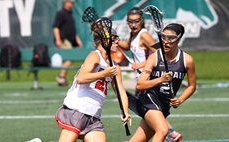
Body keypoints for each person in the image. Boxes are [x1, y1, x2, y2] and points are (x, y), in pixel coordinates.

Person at [54, 25, 131, 142]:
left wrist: (125, 111)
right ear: (104, 41)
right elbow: (81, 78)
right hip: (77, 110)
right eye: (114, 38)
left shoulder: (115, 67)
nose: (118, 41)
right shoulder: (95, 56)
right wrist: (104, 73)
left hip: (93, 117)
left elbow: (120, 91)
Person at [118, 7, 182, 141]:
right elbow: (126, 46)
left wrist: (141, 65)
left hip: (149, 81)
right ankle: (167, 132)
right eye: (130, 21)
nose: (133, 24)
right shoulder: (133, 34)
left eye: (136, 21)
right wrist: (115, 41)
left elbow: (158, 52)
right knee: (151, 117)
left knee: (153, 114)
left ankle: (168, 132)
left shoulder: (144, 35)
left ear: (142, 21)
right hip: (142, 80)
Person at [128, 23, 196, 142]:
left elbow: (191, 86)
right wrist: (160, 79)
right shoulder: (154, 57)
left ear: (178, 40)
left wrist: (180, 99)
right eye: (164, 37)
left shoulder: (187, 60)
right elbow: (140, 85)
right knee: (163, 130)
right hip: (148, 100)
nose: (166, 41)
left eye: (171, 38)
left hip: (164, 106)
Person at [53, 0, 83, 86]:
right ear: (66, 2)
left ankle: (62, 78)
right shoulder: (61, 13)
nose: (72, 4)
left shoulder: (69, 14)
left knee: (68, 59)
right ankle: (61, 77)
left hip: (70, 40)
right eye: (71, 2)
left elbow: (72, 30)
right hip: (64, 40)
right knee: (69, 58)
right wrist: (58, 39)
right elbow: (56, 27)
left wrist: (77, 40)